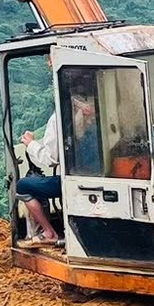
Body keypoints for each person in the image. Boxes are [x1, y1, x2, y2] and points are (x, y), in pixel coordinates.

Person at [14, 80, 101, 244]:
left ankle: (49, 232)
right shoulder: (101, 114)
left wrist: (30, 144)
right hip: (95, 177)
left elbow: (50, 159)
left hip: (74, 180)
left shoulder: (59, 118)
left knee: (23, 186)